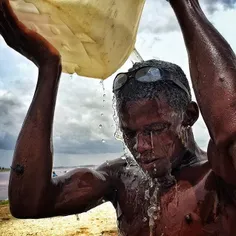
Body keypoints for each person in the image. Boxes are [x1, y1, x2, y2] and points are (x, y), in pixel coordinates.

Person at [4, 0, 236, 235]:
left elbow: (231, 126)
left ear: (189, 116)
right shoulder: (122, 178)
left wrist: (185, 6)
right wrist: (48, 70)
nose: (141, 146)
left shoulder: (219, 177)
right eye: (130, 133)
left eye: (155, 129)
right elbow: (28, 202)